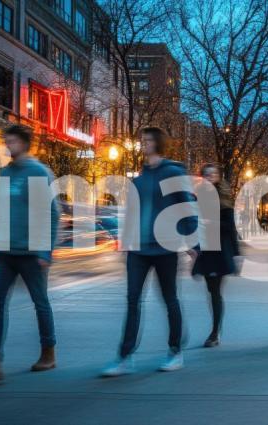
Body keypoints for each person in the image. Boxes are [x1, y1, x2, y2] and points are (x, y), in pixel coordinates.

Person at [0, 125, 59, 384]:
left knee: (40, 302)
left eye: (13, 141)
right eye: (6, 141)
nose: (8, 146)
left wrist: (44, 252)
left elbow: (51, 214)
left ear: (25, 143)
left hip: (31, 252)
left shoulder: (38, 172)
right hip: (4, 252)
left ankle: (48, 352)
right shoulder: (5, 172)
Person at [101, 127, 198, 377]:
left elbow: (186, 206)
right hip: (138, 249)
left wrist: (192, 242)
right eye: (142, 140)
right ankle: (124, 356)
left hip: (165, 247)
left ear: (158, 143)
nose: (142, 144)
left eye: (147, 140)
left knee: (169, 300)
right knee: (133, 301)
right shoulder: (140, 177)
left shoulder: (174, 172)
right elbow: (133, 212)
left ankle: (176, 351)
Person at [192, 163, 239, 347]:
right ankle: (216, 329)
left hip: (220, 250)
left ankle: (215, 332)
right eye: (206, 174)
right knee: (211, 291)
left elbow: (230, 227)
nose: (210, 177)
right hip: (205, 251)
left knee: (216, 293)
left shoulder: (225, 200)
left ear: (218, 177)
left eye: (213, 174)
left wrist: (236, 254)